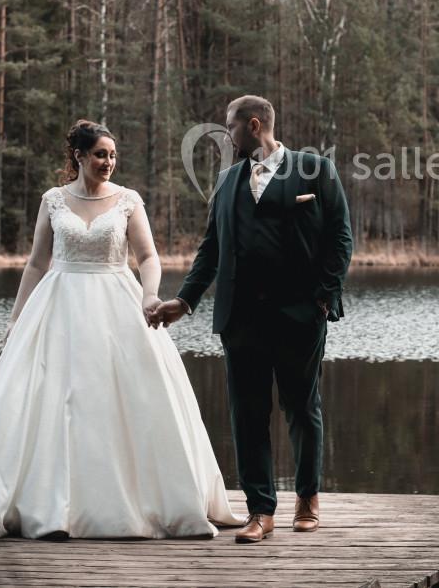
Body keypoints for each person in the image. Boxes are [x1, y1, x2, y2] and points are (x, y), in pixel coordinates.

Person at [0, 119, 244, 545]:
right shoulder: (53, 200)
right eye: (100, 154)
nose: (108, 162)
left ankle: (135, 503)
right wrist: (15, 318)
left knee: (124, 397)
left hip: (117, 301)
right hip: (58, 304)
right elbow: (37, 263)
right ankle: (48, 505)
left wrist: (149, 295)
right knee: (54, 400)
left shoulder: (128, 201)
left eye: (113, 155)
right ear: (79, 156)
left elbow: (149, 256)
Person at [151, 95, 354, 543]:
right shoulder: (225, 182)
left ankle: (307, 499)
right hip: (241, 319)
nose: (227, 133)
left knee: (302, 408)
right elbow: (211, 250)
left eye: (231, 125)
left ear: (255, 124)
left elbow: (341, 235)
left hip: (300, 315)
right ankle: (260, 512)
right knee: (247, 415)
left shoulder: (314, 169)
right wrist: (184, 302)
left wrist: (324, 295)